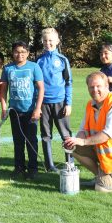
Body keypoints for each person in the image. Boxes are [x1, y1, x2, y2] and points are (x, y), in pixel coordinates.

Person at [63, 71, 112, 193]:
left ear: (107, 86)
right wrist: (74, 141)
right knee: (73, 147)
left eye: (98, 86)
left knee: (101, 189)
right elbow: (83, 130)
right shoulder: (90, 105)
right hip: (104, 153)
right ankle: (100, 176)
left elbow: (107, 134)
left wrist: (83, 141)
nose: (95, 90)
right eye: (91, 87)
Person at [0, 41, 44, 180]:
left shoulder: (34, 67)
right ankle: (19, 167)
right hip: (14, 111)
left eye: (23, 52)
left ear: (28, 53)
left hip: (30, 110)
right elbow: (3, 90)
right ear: (13, 53)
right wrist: (4, 108)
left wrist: (38, 109)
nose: (20, 54)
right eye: (17, 52)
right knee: (18, 141)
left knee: (31, 140)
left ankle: (33, 168)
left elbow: (41, 88)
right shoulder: (8, 69)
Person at [36, 28, 72, 173]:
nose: (48, 43)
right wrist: (36, 106)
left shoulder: (63, 60)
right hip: (43, 103)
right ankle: (49, 165)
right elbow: (35, 84)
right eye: (45, 41)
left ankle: (69, 162)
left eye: (51, 40)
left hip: (60, 102)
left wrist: (68, 103)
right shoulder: (38, 60)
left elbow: (69, 82)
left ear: (57, 41)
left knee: (66, 135)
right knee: (46, 135)